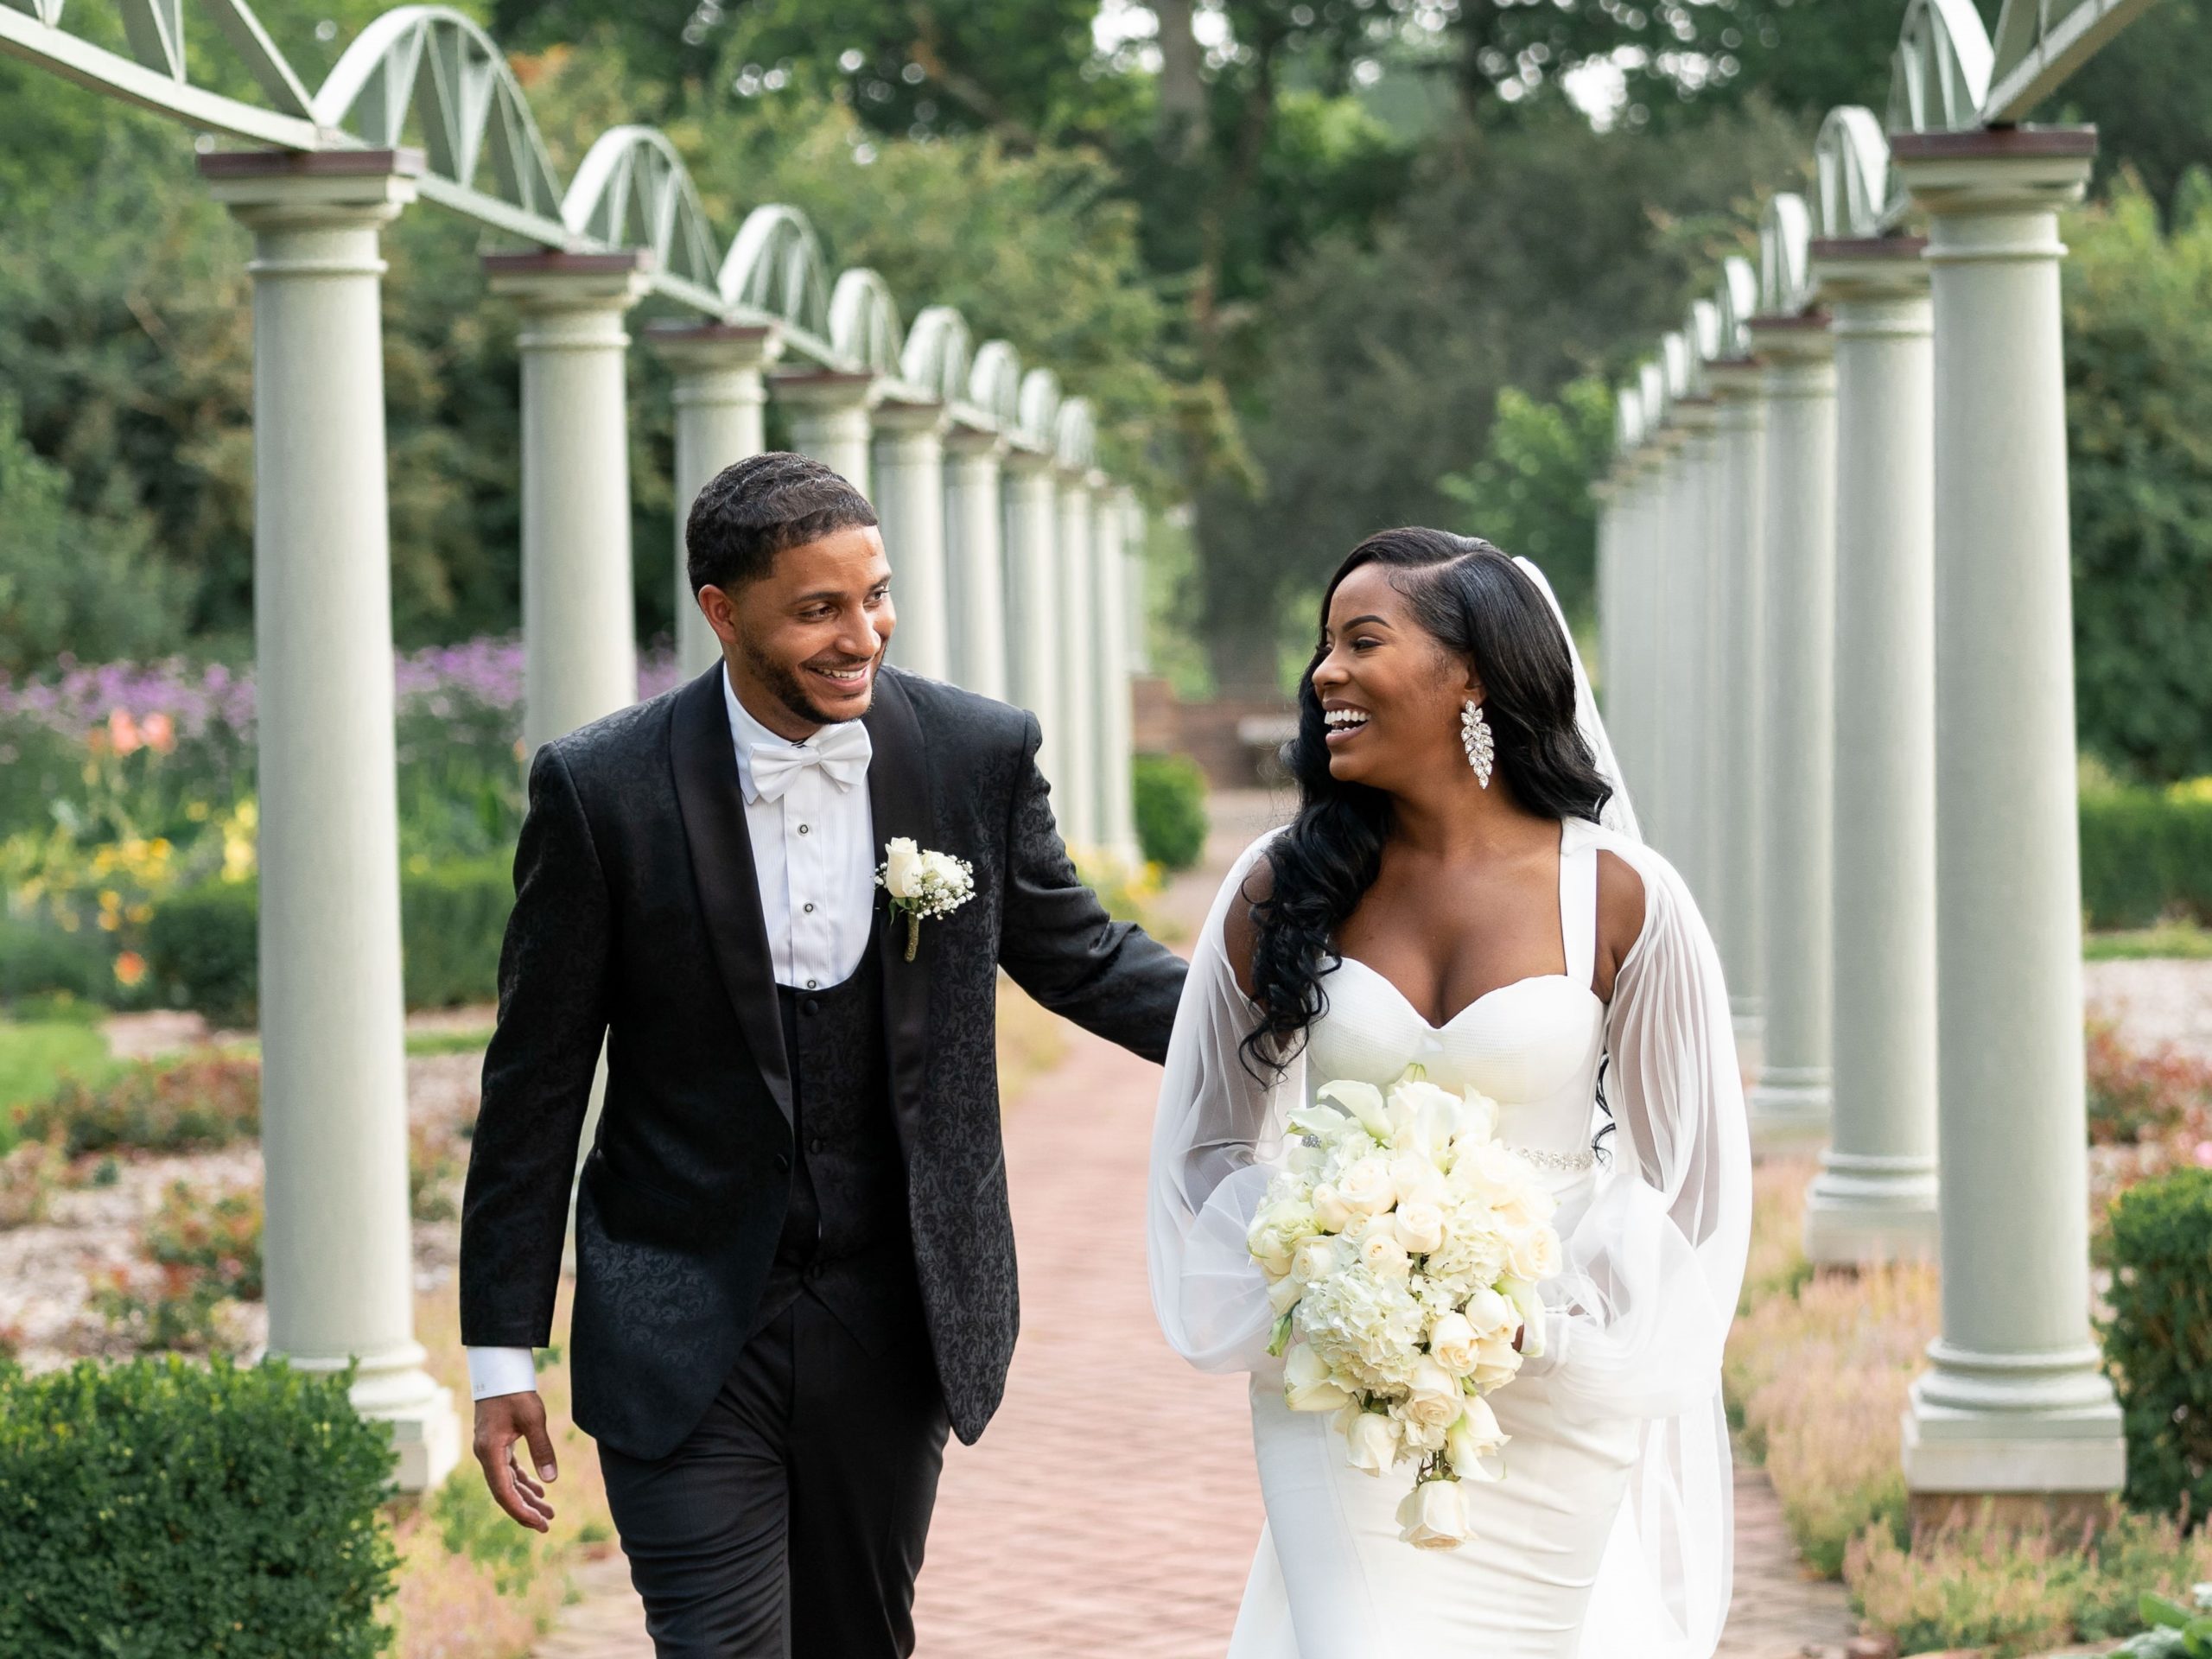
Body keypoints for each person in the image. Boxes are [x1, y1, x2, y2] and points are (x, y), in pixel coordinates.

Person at [460, 451, 1186, 1658]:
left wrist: (1298, 1030)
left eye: (875, 598)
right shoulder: (601, 789)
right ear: (721, 611)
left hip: (893, 1308)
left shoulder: (973, 755)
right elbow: (535, 1084)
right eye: (819, 610)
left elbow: (1083, 959)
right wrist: (498, 1352)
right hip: (677, 1312)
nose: (864, 636)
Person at [1147, 527, 1750, 1657]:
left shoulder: (1621, 898)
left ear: (1472, 671)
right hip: (1341, 1386)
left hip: (1554, 1393)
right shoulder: (1287, 882)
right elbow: (1206, 1148)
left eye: (1362, 641)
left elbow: (1690, 1181)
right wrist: (1308, 1276)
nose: (1324, 672)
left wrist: (1564, 1324)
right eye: (1322, 645)